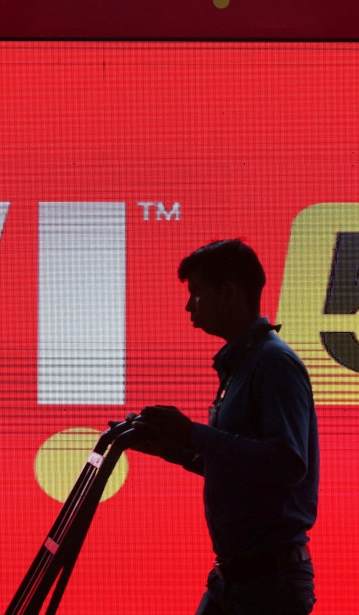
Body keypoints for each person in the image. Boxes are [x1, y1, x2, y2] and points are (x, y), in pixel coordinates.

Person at [133, 239, 319, 615]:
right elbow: (243, 467)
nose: (189, 305)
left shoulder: (273, 364)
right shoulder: (245, 363)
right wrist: (174, 449)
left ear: (230, 292)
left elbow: (286, 463)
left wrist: (192, 434)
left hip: (268, 587)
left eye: (197, 293)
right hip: (237, 578)